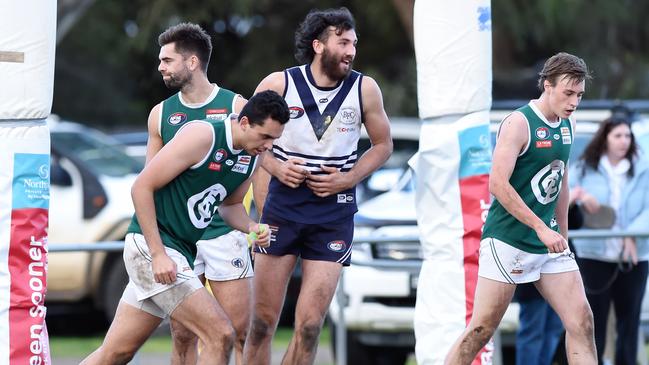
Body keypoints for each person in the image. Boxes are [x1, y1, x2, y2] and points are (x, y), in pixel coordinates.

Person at [80, 90, 289, 365]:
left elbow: (230, 206)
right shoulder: (203, 136)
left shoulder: (252, 156)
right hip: (152, 248)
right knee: (220, 333)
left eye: (275, 139)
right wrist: (157, 254)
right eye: (265, 136)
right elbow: (141, 187)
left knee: (116, 353)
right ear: (245, 122)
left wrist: (252, 227)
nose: (268, 146)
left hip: (178, 252)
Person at [243, 7, 393, 365]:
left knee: (310, 325)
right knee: (262, 323)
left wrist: (349, 177)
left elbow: (383, 145)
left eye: (354, 43)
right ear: (318, 45)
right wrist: (277, 169)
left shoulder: (365, 88)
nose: (351, 51)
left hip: (333, 212)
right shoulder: (279, 83)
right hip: (281, 207)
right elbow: (244, 136)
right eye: (343, 42)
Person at [444, 52, 597, 365]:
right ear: (546, 85)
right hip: (508, 240)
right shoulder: (519, 123)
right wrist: (541, 228)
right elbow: (497, 184)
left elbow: (561, 183)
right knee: (482, 329)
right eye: (568, 93)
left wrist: (562, 237)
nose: (573, 102)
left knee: (581, 321)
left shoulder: (568, 123)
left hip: (547, 243)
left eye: (579, 95)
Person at [145, 22, 253, 365]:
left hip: (223, 232)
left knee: (236, 332)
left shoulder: (237, 107)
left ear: (192, 62)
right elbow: (150, 182)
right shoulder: (161, 114)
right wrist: (157, 246)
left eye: (167, 60)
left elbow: (258, 163)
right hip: (180, 237)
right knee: (182, 333)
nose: (160, 67)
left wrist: (258, 221)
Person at [569, 115, 649, 365]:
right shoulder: (583, 167)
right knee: (594, 323)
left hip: (634, 257)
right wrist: (581, 196)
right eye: (618, 136)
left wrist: (631, 235)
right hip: (594, 255)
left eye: (628, 136)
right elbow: (564, 198)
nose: (624, 141)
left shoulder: (644, 167)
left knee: (629, 322)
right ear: (605, 139)